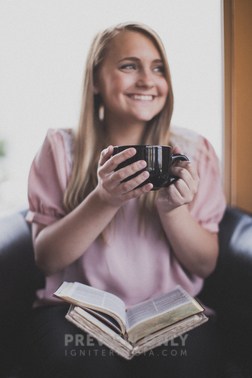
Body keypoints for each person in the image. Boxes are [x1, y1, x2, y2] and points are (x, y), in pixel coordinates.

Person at [23, 22, 226, 378]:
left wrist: (173, 210)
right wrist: (104, 199)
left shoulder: (196, 152)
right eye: (129, 65)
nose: (148, 80)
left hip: (170, 315)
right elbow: (46, 259)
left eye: (158, 68)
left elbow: (205, 265)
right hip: (76, 314)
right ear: (95, 80)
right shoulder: (59, 149)